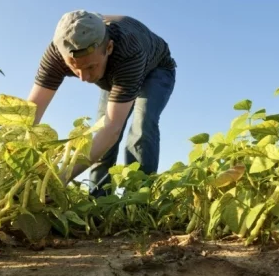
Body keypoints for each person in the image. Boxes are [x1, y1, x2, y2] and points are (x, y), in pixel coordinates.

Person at [27, 10, 176, 198]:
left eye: (90, 67)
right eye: (74, 68)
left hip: (156, 69)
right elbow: (30, 112)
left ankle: (138, 201)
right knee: (100, 136)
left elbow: (112, 129)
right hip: (112, 74)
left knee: (142, 125)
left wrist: (60, 178)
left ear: (109, 47)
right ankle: (99, 202)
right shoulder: (57, 53)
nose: (84, 78)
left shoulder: (128, 51)